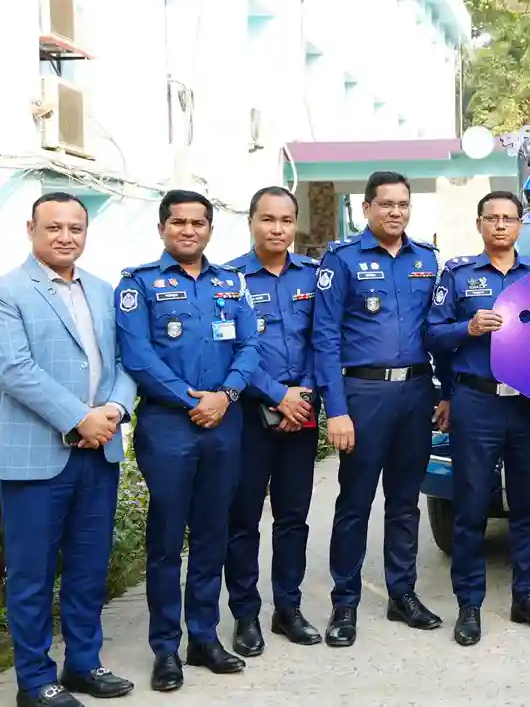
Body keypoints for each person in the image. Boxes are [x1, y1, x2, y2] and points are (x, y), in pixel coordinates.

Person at [114, 189, 261, 691]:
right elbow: (137, 356)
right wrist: (191, 399)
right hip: (170, 427)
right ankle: (164, 647)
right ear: (162, 229)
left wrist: (226, 394)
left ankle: (203, 637)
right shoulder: (138, 285)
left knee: (212, 534)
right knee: (164, 541)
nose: (188, 230)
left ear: (210, 230)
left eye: (198, 223)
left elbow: (250, 345)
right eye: (178, 222)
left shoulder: (230, 283)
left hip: (225, 423)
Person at [0, 193, 137, 707]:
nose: (65, 236)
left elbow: (127, 362)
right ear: (30, 228)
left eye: (75, 228)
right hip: (36, 459)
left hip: (98, 453)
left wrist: (115, 413)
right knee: (32, 574)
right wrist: (81, 418)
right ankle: (35, 681)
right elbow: (14, 370)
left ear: (85, 232)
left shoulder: (102, 291)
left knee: (87, 567)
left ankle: (84, 663)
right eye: (54, 227)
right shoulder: (9, 291)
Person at [311, 170, 448, 647]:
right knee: (354, 504)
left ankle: (401, 594)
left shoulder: (428, 262)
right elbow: (324, 338)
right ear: (367, 208)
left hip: (415, 394)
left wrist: (445, 392)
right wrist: (337, 410)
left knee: (405, 503)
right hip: (363, 396)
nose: (395, 212)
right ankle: (344, 603)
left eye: (403, 204)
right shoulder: (342, 260)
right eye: (386, 204)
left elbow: (440, 331)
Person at [427, 190, 530, 646]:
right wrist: (467, 327)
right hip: (477, 402)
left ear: (521, 225)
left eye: (509, 218)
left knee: (528, 507)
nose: (501, 225)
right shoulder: (458, 275)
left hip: (527, 406)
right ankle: (469, 605)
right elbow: (432, 335)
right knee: (470, 509)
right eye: (492, 218)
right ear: (479, 224)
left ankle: (526, 597)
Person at [223, 187, 322, 657]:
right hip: (246, 415)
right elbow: (231, 350)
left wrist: (300, 395)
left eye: (286, 220)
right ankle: (245, 615)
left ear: (295, 223)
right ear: (251, 221)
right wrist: (276, 394)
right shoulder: (229, 280)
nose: (277, 229)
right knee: (242, 519)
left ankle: (288, 608)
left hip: (301, 412)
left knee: (293, 518)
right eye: (268, 219)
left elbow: (322, 341)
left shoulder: (314, 276)